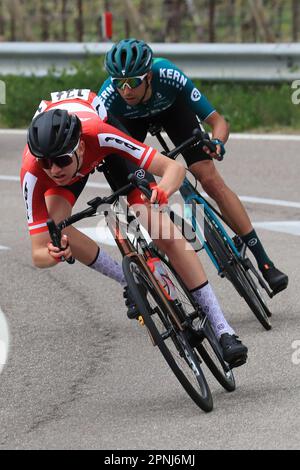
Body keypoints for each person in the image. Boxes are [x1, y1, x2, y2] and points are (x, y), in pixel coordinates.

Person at [20, 88, 247, 367]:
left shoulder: (99, 133)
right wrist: (55, 253)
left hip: (103, 146)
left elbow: (173, 169)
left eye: (61, 160)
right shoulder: (33, 170)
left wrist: (162, 189)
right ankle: (129, 281)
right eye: (46, 163)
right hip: (72, 161)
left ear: (78, 147)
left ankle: (222, 328)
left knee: (158, 226)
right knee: (58, 228)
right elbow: (38, 252)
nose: (54, 169)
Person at [99, 38, 288, 295]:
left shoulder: (168, 74)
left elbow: (218, 122)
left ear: (149, 77)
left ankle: (264, 261)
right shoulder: (109, 97)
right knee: (141, 191)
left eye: (133, 82)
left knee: (208, 178)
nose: (126, 90)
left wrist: (217, 143)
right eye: (119, 83)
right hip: (129, 125)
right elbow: (104, 143)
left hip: (173, 112)